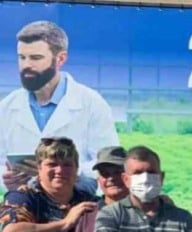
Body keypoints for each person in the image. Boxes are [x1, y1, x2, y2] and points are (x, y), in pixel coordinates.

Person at [1, 21, 118, 192]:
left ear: (60, 59)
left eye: (36, 58)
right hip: (25, 208)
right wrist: (7, 179)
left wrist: (62, 172)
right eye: (22, 57)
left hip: (76, 207)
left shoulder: (92, 104)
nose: (26, 65)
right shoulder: (7, 106)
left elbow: (109, 164)